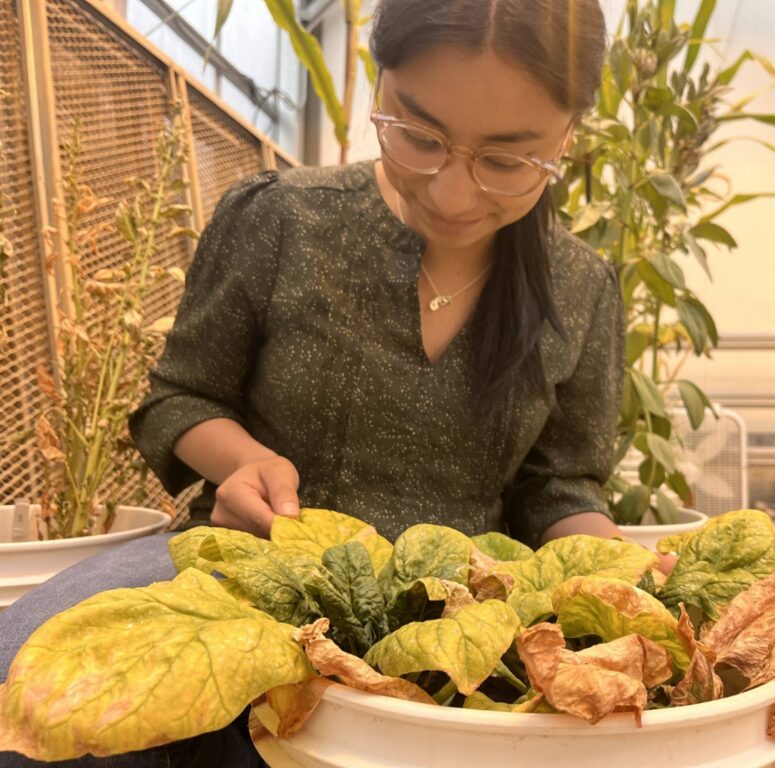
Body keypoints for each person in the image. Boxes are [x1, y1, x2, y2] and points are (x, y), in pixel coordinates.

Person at [0, 0, 671, 765]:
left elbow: (562, 491)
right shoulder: (283, 221)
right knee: (22, 689)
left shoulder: (580, 289)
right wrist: (241, 461)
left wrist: (625, 577)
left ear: (568, 138)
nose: (452, 194)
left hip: (454, 631)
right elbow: (180, 398)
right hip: (248, 577)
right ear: (378, 83)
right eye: (418, 136)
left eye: (507, 161)